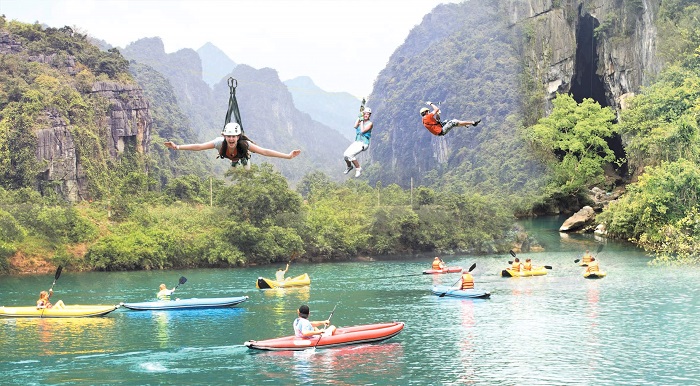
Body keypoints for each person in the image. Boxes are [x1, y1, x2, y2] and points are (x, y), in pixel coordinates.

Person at [164, 122, 301, 167]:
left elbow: (264, 151)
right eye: (228, 136)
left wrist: (288, 156)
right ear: (224, 136)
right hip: (229, 156)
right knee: (234, 163)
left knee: (244, 164)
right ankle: (235, 162)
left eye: (233, 136)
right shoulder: (220, 143)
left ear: (238, 137)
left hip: (241, 155)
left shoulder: (244, 145)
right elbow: (199, 147)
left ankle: (241, 162)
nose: (231, 139)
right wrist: (177, 147)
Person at [343, 108, 373, 178]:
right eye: (365, 113)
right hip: (357, 141)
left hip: (364, 143)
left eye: (367, 114)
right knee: (345, 155)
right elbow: (355, 126)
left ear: (369, 115)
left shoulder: (370, 124)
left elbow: (362, 131)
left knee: (350, 155)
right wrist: (359, 117)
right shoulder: (360, 121)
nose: (366, 115)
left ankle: (358, 168)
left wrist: (362, 120)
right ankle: (349, 166)